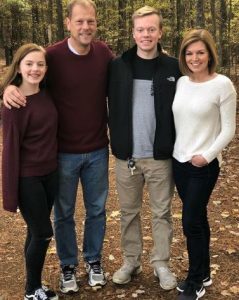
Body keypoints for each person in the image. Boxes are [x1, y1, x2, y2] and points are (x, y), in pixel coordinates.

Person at [3, 0, 113, 294]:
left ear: (96, 23)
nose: (85, 27)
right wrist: (7, 88)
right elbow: (28, 75)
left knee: (97, 210)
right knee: (62, 213)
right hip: (61, 154)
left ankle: (93, 260)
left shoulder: (104, 53)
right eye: (79, 21)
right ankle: (67, 265)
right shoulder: (51, 55)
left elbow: (124, 78)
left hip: (98, 150)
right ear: (68, 23)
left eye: (90, 21)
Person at [108, 6, 181, 290]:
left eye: (151, 29)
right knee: (128, 213)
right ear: (133, 33)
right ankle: (131, 261)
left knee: (161, 213)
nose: (146, 34)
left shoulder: (174, 67)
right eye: (141, 29)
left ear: (160, 32)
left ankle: (161, 263)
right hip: (127, 156)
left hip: (160, 156)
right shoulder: (117, 66)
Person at [172, 29, 237, 300]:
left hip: (203, 165)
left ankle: (195, 280)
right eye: (189, 53)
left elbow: (228, 130)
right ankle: (205, 272)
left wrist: (207, 156)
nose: (194, 58)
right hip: (179, 161)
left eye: (200, 52)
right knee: (198, 218)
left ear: (210, 53)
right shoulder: (182, 83)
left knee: (190, 222)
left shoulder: (222, 85)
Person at [1, 43, 58, 300]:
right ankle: (31, 290)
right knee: (44, 232)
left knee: (34, 232)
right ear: (19, 67)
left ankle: (34, 285)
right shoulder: (14, 103)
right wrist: (10, 191)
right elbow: (10, 150)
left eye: (40, 64)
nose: (35, 69)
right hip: (28, 178)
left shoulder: (46, 93)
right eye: (29, 64)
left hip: (51, 174)